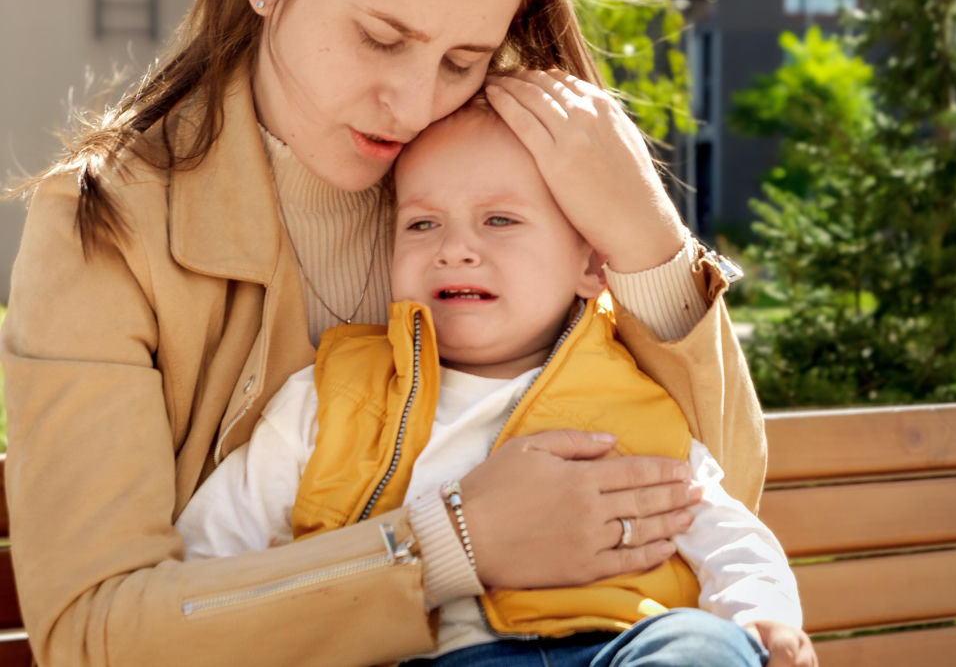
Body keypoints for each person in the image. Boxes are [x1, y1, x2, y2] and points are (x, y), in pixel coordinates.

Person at [0, 0, 766, 665]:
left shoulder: (505, 185)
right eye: (379, 37)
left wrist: (648, 240)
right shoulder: (105, 225)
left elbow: (722, 488)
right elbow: (93, 634)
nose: (411, 103)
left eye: (461, 61)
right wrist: (446, 546)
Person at [176, 100, 816, 667]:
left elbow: (721, 530)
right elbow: (212, 552)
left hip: (618, 641)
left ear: (592, 264)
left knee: (703, 647)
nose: (454, 249)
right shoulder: (329, 396)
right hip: (434, 652)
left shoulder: (631, 397)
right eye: (422, 224)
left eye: (500, 221)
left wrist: (763, 613)